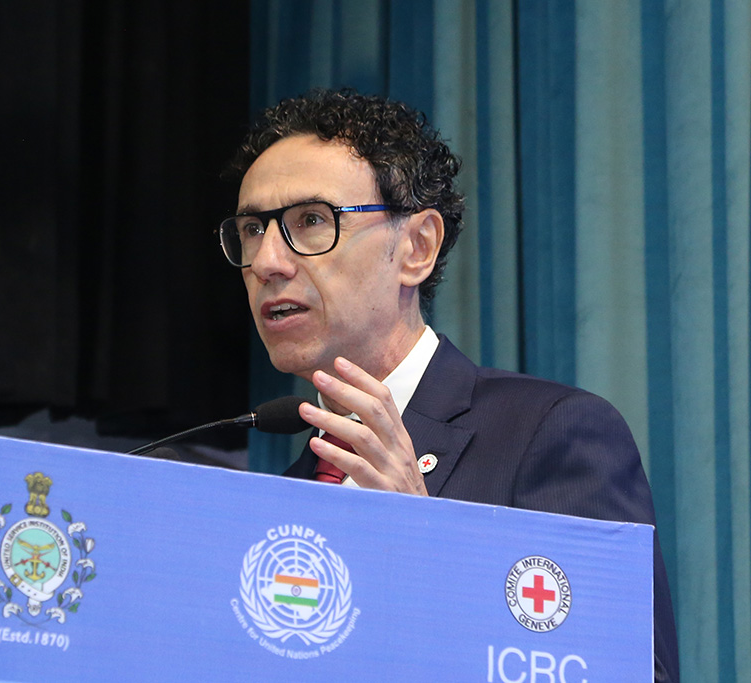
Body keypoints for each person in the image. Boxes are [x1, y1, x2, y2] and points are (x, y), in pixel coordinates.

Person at [220, 88, 678, 681]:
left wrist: (426, 545)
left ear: (417, 248)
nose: (267, 262)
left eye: (311, 221)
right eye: (252, 229)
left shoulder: (550, 435)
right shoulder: (286, 499)